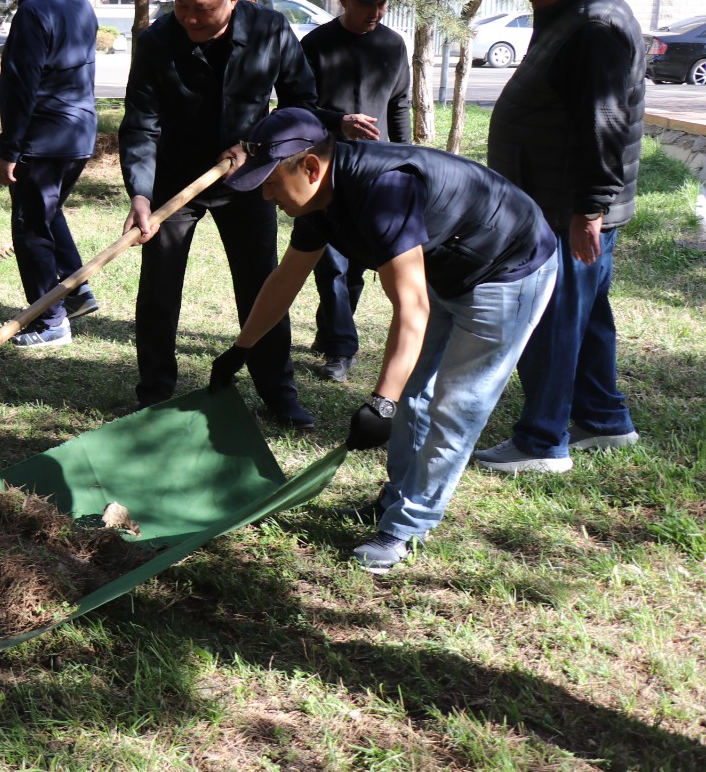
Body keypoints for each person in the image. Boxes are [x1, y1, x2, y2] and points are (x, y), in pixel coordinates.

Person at [210, 108, 557, 573]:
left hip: (509, 269)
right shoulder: (320, 199)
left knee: (455, 407)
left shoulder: (383, 190)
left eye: (270, 181)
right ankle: (393, 502)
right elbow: (285, 280)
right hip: (449, 265)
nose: (265, 194)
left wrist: (381, 404)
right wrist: (241, 349)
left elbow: (411, 308)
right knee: (413, 392)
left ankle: (406, 528)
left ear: (310, 167)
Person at [121, 0, 370, 425]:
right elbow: (141, 123)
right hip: (175, 180)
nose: (191, 17)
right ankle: (154, 393)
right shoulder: (156, 42)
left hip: (250, 179)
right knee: (159, 284)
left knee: (260, 283)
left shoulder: (269, 30)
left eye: (204, 7)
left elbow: (300, 105)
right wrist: (141, 193)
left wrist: (256, 147)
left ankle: (279, 392)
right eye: (182, 4)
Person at [474, 0, 646, 475]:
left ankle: (543, 441)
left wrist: (589, 210)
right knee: (588, 312)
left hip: (567, 206)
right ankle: (603, 418)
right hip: (560, 201)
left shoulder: (596, 24)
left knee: (552, 317)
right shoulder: (574, 14)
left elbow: (605, 124)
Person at [300, 0, 412, 382]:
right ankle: (342, 349)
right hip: (323, 170)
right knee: (330, 261)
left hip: (377, 171)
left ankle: (331, 329)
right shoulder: (315, 45)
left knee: (358, 263)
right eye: (367, 4)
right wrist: (337, 121)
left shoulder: (393, 45)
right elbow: (297, 107)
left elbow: (400, 104)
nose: (375, 12)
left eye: (382, 4)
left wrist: (407, 158)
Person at [0, 0, 98, 347]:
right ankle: (76, 290)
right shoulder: (79, 3)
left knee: (31, 225)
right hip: (79, 133)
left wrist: (10, 150)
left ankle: (49, 321)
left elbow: (20, 87)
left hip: (44, 136)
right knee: (49, 212)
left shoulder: (34, 11)